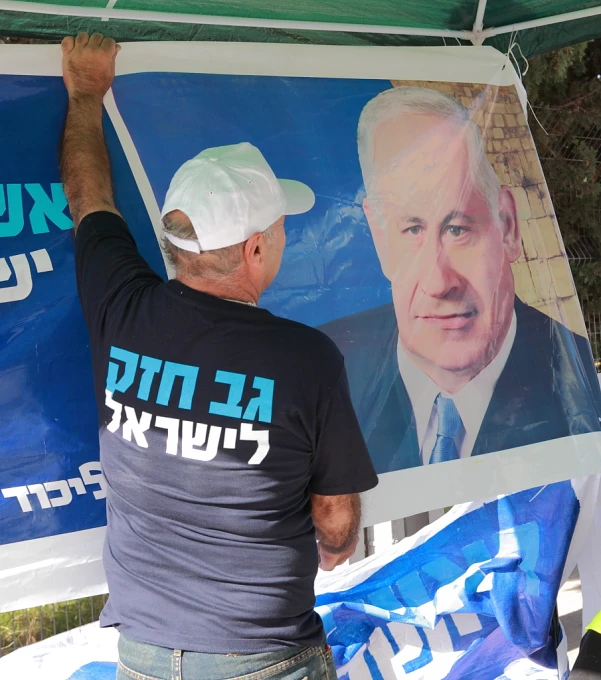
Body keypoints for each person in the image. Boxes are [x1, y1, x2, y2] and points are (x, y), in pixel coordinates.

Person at [60, 33, 378, 680]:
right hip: (264, 658)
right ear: (256, 248)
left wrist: (85, 93)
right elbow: (336, 523)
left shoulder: (120, 305)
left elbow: (89, 199)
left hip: (144, 656)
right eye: (281, 227)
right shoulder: (305, 359)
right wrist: (337, 546)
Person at [321, 86, 601, 474]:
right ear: (379, 236)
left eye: (457, 229)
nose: (438, 283)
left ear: (508, 225)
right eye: (412, 229)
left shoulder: (577, 390)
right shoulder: (327, 367)